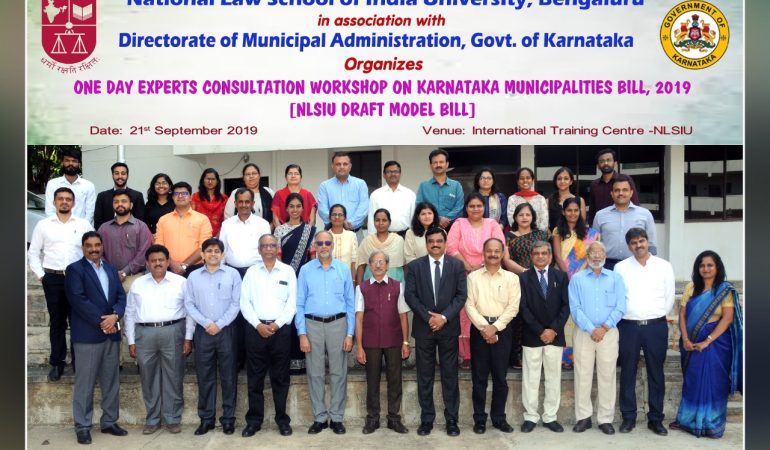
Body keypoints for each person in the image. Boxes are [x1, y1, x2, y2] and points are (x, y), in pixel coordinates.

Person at [670, 251, 743, 438]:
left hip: (717, 345)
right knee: (692, 381)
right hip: (691, 343)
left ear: (717, 267)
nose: (706, 269)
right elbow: (683, 315)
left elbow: (727, 319)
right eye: (702, 265)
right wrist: (685, 339)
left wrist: (707, 341)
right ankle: (687, 420)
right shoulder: (691, 287)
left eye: (710, 265)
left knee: (714, 383)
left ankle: (711, 423)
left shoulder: (724, 290)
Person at [64, 231, 127, 445]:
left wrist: (116, 315)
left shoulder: (110, 268)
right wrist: (104, 322)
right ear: (83, 248)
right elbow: (78, 299)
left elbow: (120, 296)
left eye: (97, 245)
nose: (94, 249)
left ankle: (109, 421)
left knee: (111, 381)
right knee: (85, 383)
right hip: (89, 335)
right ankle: (82, 425)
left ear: (102, 247)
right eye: (89, 245)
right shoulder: (75, 269)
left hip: (111, 335)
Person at [125, 244, 195, 435]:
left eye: (161, 260)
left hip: (173, 331)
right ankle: (153, 419)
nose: (158, 263)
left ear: (167, 261)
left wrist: (188, 337)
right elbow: (129, 313)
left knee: (174, 376)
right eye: (153, 260)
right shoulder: (137, 284)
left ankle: (172, 419)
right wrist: (131, 341)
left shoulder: (180, 282)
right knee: (148, 378)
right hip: (144, 334)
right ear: (147, 263)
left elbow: (190, 312)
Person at [404, 227, 467, 437]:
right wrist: (429, 317)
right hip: (424, 328)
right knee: (425, 376)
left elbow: (461, 296)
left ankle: (451, 420)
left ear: (445, 242)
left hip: (448, 328)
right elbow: (410, 296)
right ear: (426, 243)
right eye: (431, 241)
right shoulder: (414, 267)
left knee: (450, 375)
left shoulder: (457, 265)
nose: (435, 244)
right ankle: (426, 420)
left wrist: (444, 317)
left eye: (439, 241)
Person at [28, 187, 94, 381]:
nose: (64, 202)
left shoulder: (83, 224)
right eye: (60, 199)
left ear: (73, 203)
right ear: (54, 202)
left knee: (78, 322)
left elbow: (92, 251)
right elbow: (33, 252)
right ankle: (57, 363)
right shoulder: (43, 225)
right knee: (57, 322)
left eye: (68, 199)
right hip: (53, 278)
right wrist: (42, 276)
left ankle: (78, 363)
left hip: (77, 279)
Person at [614, 228, 675, 436]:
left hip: (656, 326)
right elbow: (617, 296)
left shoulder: (664, 266)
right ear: (628, 245)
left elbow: (669, 297)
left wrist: (656, 316)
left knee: (656, 373)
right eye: (633, 242)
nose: (638, 245)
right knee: (627, 372)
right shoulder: (621, 268)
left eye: (641, 241)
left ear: (648, 241)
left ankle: (656, 419)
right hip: (628, 326)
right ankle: (628, 417)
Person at [295, 230, 356, 435]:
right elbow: (299, 303)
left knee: (339, 372)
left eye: (327, 243)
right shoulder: (305, 270)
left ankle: (337, 418)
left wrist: (350, 333)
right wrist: (302, 333)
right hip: (312, 325)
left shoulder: (343, 270)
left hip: (338, 324)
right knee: (315, 372)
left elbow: (350, 303)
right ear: (315, 246)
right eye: (319, 243)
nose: (323, 246)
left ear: (332, 245)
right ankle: (320, 417)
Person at [240, 234, 297, 437]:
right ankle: (254, 421)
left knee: (280, 378)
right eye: (264, 246)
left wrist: (276, 324)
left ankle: (282, 420)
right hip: (255, 331)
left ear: (277, 248)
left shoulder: (288, 271)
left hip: (280, 331)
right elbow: (244, 303)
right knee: (255, 378)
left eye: (272, 245)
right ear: (259, 249)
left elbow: (292, 303)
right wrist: (257, 325)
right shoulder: (251, 273)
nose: (269, 249)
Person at [184, 238, 241, 436]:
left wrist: (220, 324)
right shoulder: (193, 276)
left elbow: (236, 303)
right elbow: (189, 304)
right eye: (209, 251)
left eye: (217, 251)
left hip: (226, 331)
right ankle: (206, 419)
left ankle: (228, 419)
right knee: (205, 376)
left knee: (228, 377)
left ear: (223, 254)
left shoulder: (232, 274)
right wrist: (207, 323)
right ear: (203, 254)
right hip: (203, 331)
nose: (213, 254)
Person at [568, 241, 626, 435]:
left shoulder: (616, 278)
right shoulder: (577, 279)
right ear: (587, 255)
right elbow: (575, 308)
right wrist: (592, 329)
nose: (596, 256)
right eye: (593, 252)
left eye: (600, 253)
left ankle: (605, 419)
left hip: (608, 333)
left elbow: (620, 306)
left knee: (607, 375)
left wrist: (604, 327)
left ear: (605, 256)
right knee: (582, 375)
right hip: (584, 333)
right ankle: (583, 418)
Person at [464, 238, 520, 435]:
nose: (493, 254)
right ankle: (479, 419)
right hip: (479, 330)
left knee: (500, 378)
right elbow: (469, 305)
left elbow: (513, 307)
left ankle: (499, 418)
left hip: (503, 330)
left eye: (497, 251)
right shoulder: (473, 277)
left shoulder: (512, 279)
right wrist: (484, 327)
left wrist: (495, 327)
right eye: (490, 250)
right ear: (484, 252)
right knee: (479, 378)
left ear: (502, 253)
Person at [447, 193, 506, 370]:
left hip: (490, 272)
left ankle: (490, 348)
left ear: (484, 208)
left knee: (488, 307)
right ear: (466, 208)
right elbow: (451, 247)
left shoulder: (492, 224)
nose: (475, 209)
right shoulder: (459, 224)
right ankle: (467, 355)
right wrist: (468, 267)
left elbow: (499, 245)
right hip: (463, 275)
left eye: (479, 206)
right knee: (466, 313)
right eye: (471, 206)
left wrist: (483, 267)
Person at [355, 250, 411, 435]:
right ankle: (372, 419)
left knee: (395, 380)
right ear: (369, 266)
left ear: (387, 265)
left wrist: (405, 342)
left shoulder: (397, 286)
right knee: (372, 381)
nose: (378, 265)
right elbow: (359, 318)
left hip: (394, 341)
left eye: (382, 262)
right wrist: (360, 347)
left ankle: (394, 419)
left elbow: (403, 316)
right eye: (374, 262)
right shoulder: (362, 288)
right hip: (370, 343)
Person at [518, 242, 570, 433]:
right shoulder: (523, 278)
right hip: (532, 335)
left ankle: (550, 417)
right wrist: (540, 330)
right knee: (530, 378)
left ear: (550, 256)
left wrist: (553, 330)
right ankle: (530, 416)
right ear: (531, 256)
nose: (540, 257)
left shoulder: (561, 276)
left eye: (544, 253)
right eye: (537, 253)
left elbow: (566, 306)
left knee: (553, 377)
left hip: (555, 336)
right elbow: (522, 307)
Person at [219, 188, 272, 372]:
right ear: (235, 203)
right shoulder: (227, 225)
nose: (243, 205)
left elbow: (267, 250)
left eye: (247, 202)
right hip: (232, 273)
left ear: (253, 203)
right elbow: (222, 252)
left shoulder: (262, 224)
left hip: (255, 273)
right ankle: (238, 359)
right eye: (240, 202)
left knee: (253, 314)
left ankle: (254, 360)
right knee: (236, 317)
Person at [552, 196, 601, 369]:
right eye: (569, 210)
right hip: (562, 279)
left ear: (580, 212)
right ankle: (566, 358)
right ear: (564, 212)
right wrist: (568, 277)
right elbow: (557, 256)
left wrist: (579, 278)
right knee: (565, 317)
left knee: (582, 315)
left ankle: (582, 356)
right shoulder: (558, 231)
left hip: (585, 280)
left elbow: (595, 256)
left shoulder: (592, 233)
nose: (572, 213)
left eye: (575, 210)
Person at [274, 193, 317, 375]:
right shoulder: (279, 231)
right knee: (286, 319)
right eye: (291, 206)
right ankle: (284, 362)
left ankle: (301, 362)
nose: (295, 210)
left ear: (303, 208)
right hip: (284, 281)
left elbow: (313, 257)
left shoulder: (310, 231)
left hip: (303, 280)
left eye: (298, 206)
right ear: (286, 209)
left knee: (301, 319)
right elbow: (277, 258)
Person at [505, 202, 549, 369]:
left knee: (538, 315)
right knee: (519, 317)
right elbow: (506, 259)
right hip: (518, 281)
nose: (524, 218)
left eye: (527, 215)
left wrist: (535, 274)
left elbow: (547, 256)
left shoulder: (542, 235)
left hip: (540, 281)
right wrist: (525, 272)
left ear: (533, 217)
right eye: (521, 215)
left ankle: (540, 353)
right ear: (515, 217)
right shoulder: (510, 236)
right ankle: (517, 356)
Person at [593, 175, 657, 270]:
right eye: (617, 190)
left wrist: (649, 267)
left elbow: (651, 245)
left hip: (636, 264)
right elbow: (594, 244)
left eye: (625, 190)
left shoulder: (645, 214)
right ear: (612, 193)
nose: (621, 193)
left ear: (631, 193)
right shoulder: (600, 215)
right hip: (607, 266)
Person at [97, 189, 153, 293]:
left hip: (135, 278)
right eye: (116, 202)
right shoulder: (103, 228)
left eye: (124, 201)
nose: (120, 204)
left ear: (131, 205)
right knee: (110, 309)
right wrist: (112, 272)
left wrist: (124, 272)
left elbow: (143, 254)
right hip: (108, 278)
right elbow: (98, 252)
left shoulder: (141, 227)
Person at [155, 181, 213, 277]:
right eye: (177, 194)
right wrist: (173, 264)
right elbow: (159, 246)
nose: (180, 196)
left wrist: (184, 265)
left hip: (195, 269)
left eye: (184, 193)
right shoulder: (163, 220)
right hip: (168, 269)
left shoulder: (202, 219)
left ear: (190, 197)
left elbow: (204, 247)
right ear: (173, 197)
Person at [317, 152, 368, 232]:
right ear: (332, 166)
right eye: (338, 164)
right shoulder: (325, 186)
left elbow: (363, 208)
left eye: (345, 164)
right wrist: (340, 223)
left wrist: (349, 223)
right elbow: (322, 210)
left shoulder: (360, 184)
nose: (341, 167)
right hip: (331, 232)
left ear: (350, 166)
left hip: (355, 232)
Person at [587, 148, 641, 226]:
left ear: (615, 163)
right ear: (598, 166)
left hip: (623, 224)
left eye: (609, 160)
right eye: (602, 161)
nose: (605, 163)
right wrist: (592, 231)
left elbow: (635, 204)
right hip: (601, 225)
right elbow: (592, 210)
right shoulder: (594, 185)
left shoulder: (625, 180)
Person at [44, 147, 96, 225]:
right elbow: (49, 211)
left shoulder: (88, 186)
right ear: (62, 163)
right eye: (67, 160)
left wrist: (81, 228)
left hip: (81, 231)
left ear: (79, 164)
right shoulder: (52, 184)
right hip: (58, 230)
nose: (70, 164)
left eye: (74, 161)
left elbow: (90, 213)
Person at [415, 149, 464, 230]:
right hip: (430, 228)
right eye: (435, 162)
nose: (438, 165)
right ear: (431, 165)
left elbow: (459, 207)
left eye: (441, 162)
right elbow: (419, 207)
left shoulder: (456, 186)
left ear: (447, 164)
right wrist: (437, 219)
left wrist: (445, 219)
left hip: (452, 228)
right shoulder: (423, 186)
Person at [356, 208, 406, 285]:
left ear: (389, 222)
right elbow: (361, 265)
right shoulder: (367, 241)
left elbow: (405, 265)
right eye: (377, 220)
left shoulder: (398, 240)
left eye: (384, 220)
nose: (381, 223)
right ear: (374, 222)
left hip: (395, 282)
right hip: (371, 284)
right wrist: (359, 286)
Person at [367, 160, 415, 237]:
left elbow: (414, 218)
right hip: (383, 236)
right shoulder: (376, 195)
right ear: (384, 175)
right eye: (389, 172)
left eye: (396, 171)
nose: (393, 174)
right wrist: (372, 237)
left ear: (400, 174)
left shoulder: (410, 194)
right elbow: (371, 219)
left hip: (405, 236)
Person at [93, 162, 145, 230]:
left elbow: (141, 221)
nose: (120, 176)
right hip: (107, 237)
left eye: (123, 173)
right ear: (112, 175)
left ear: (127, 175)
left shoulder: (137, 196)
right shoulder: (102, 196)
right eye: (117, 173)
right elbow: (98, 222)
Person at [271, 164, 317, 228]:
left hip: (304, 232)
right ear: (285, 177)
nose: (293, 176)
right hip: (283, 233)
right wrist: (282, 233)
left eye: (296, 173)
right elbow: (275, 220)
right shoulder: (278, 194)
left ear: (301, 177)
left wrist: (305, 234)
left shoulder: (307, 194)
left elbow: (312, 220)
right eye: (290, 173)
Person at [507, 167, 549, 233]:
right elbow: (512, 220)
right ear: (518, 181)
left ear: (532, 180)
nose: (525, 180)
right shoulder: (512, 199)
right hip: (519, 236)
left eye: (528, 178)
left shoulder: (540, 199)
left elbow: (544, 221)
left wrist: (537, 235)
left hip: (538, 237)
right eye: (522, 178)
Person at [191, 168, 228, 237]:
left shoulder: (224, 198)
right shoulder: (195, 197)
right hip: (198, 235)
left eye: (213, 179)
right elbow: (191, 217)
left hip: (218, 235)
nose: (210, 181)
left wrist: (219, 235)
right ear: (203, 181)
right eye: (208, 179)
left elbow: (226, 219)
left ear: (217, 181)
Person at [546, 167, 586, 232]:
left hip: (575, 239)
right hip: (554, 239)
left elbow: (582, 224)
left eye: (566, 178)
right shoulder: (548, 201)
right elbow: (545, 225)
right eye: (559, 179)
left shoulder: (580, 201)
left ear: (571, 181)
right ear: (555, 181)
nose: (562, 181)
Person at [328, 204, 358, 279]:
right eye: (334, 214)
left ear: (345, 218)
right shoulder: (324, 236)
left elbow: (354, 262)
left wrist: (353, 281)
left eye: (340, 215)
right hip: (327, 278)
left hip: (346, 279)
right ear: (329, 218)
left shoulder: (351, 236)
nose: (337, 217)